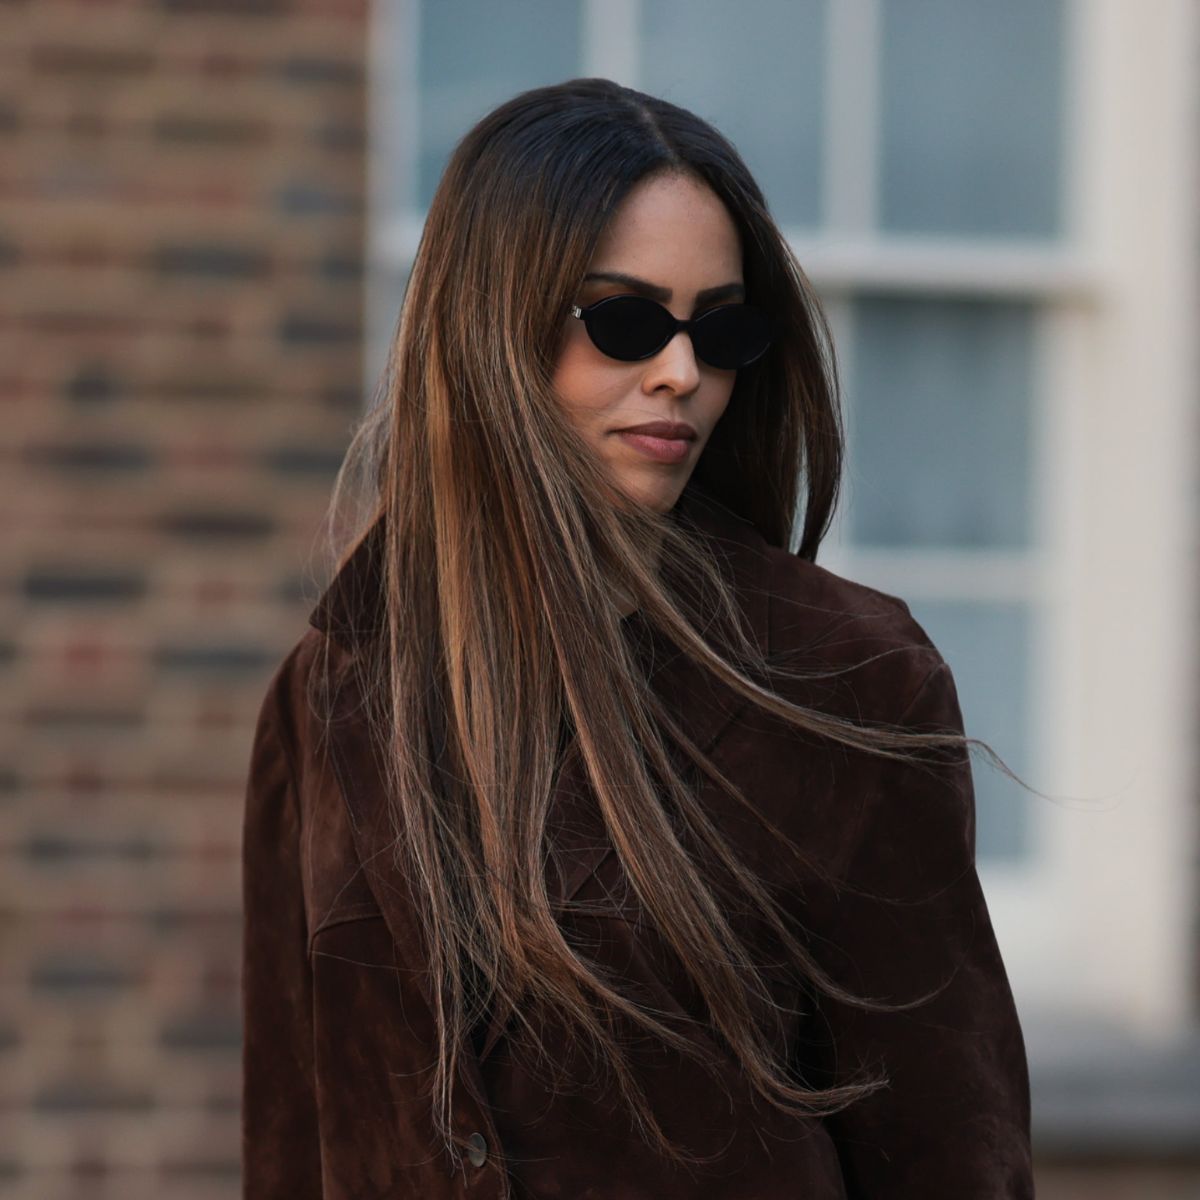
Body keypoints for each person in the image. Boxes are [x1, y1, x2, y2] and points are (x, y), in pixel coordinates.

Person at [240, 78, 1033, 1199]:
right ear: (492, 324)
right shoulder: (329, 695)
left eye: (722, 329)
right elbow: (291, 1134)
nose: (681, 372)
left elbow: (953, 1154)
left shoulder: (849, 679)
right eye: (623, 321)